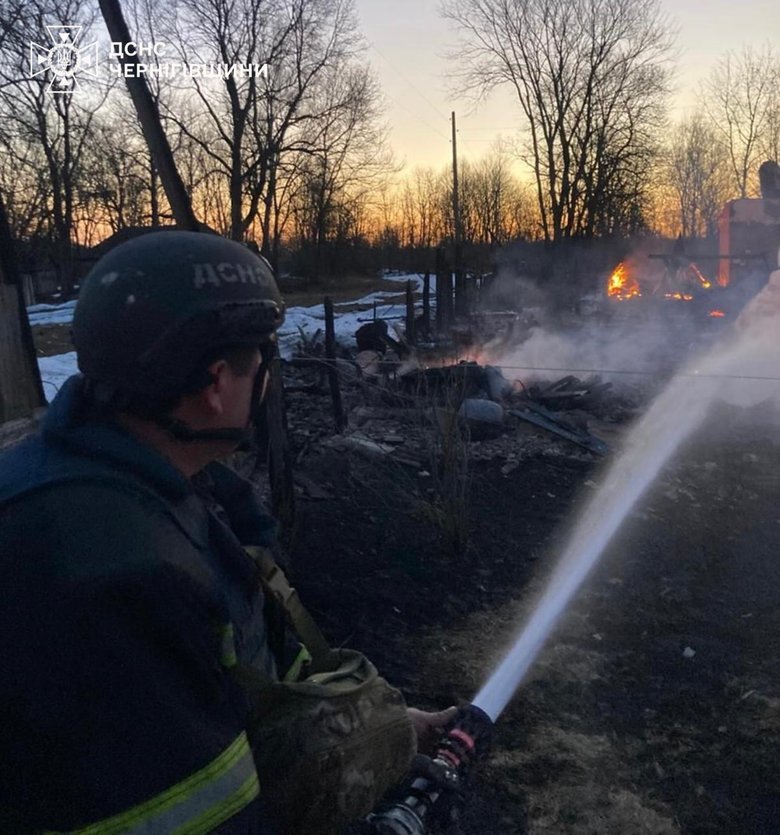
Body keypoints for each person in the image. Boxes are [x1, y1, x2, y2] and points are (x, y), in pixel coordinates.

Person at [0, 231, 454, 833]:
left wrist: (385, 730)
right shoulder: (109, 569)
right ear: (216, 384)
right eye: (262, 362)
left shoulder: (149, 481)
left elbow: (246, 669)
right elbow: (189, 811)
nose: (266, 380)